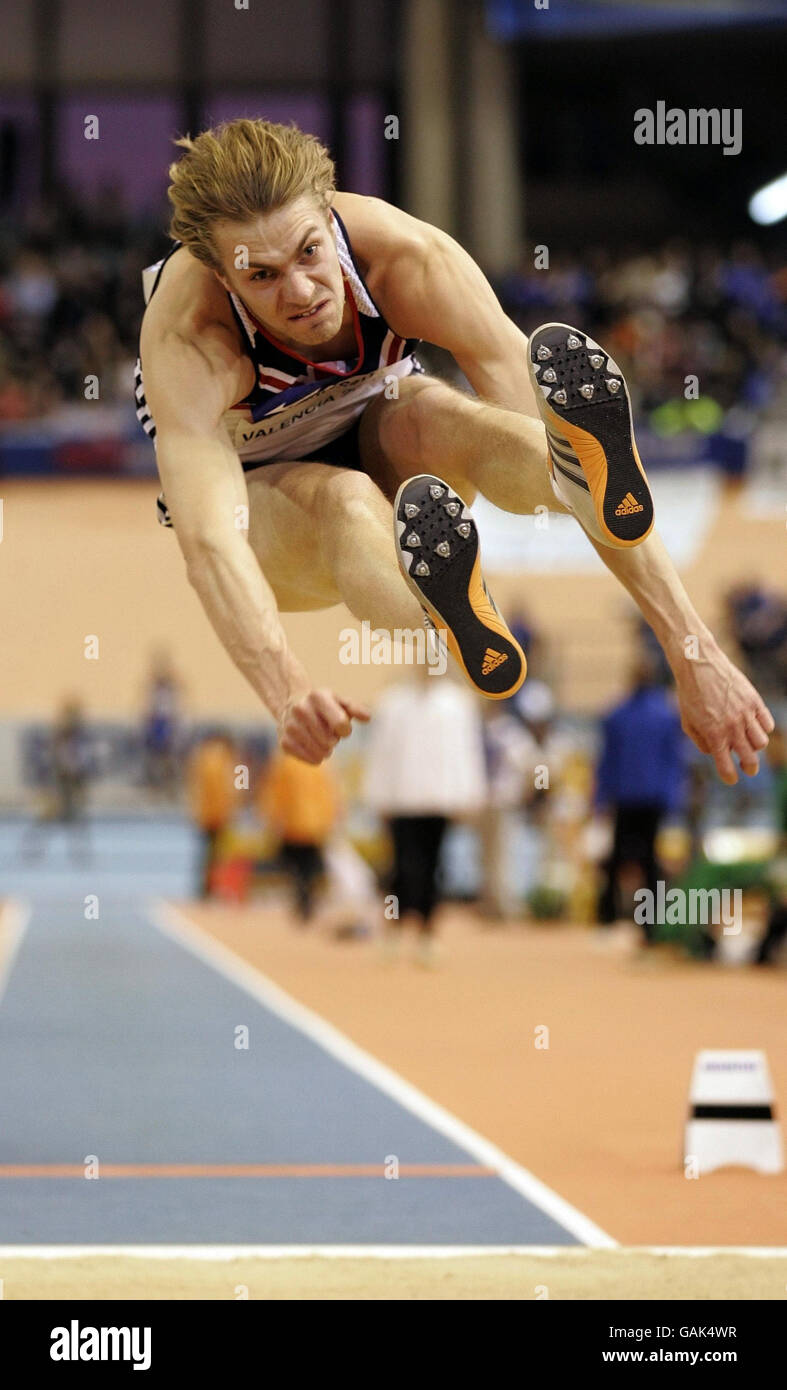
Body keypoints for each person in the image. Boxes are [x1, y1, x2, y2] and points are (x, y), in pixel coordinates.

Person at [135, 117, 773, 773]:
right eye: (262, 277)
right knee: (343, 499)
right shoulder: (190, 340)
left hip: (391, 436)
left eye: (307, 253)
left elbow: (564, 466)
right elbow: (210, 544)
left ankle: (561, 470)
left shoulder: (408, 260)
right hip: (270, 506)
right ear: (218, 271)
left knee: (449, 416)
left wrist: (692, 653)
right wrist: (286, 689)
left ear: (330, 219)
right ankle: (437, 612)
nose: (299, 292)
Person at [362, 664, 486, 963]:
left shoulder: (458, 704)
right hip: (402, 800)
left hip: (439, 800)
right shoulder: (393, 702)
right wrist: (378, 796)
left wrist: (468, 794)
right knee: (401, 869)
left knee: (433, 869)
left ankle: (427, 934)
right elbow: (382, 752)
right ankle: (393, 930)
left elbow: (466, 751)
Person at [595, 658, 689, 945]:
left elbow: (607, 762)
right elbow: (675, 761)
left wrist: (601, 799)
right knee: (642, 862)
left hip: (632, 797)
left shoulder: (619, 714)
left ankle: (619, 922)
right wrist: (674, 799)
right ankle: (646, 925)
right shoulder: (661, 715)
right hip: (649, 798)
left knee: (622, 860)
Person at [261, 750, 340, 922]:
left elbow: (274, 793)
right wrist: (330, 820)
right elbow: (330, 794)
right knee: (309, 868)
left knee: (296, 867)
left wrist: (273, 819)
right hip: (314, 826)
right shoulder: (321, 764)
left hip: (293, 825)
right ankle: (306, 901)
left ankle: (302, 899)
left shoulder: (285, 763)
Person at [186, 730, 238, 898]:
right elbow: (222, 790)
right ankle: (210, 888)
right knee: (214, 854)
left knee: (209, 853)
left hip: (206, 813)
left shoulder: (204, 757)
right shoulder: (219, 760)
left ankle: (208, 888)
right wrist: (225, 811)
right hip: (215, 814)